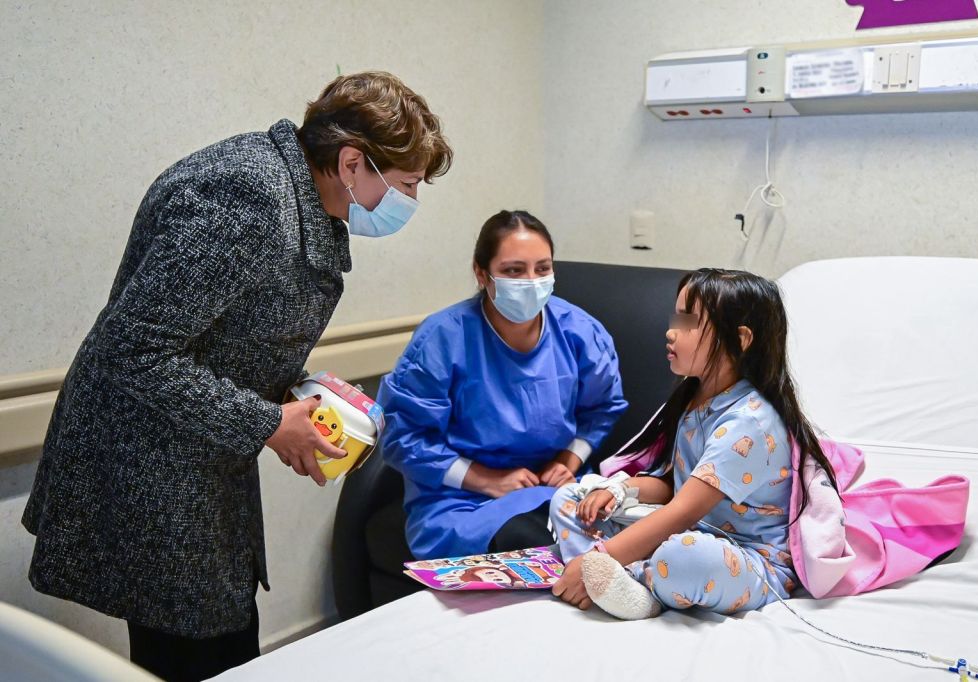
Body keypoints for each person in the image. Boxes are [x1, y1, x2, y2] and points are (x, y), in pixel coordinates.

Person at [21, 71, 452, 681]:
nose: (409, 202)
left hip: (193, 455)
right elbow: (135, 349)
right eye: (406, 184)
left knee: (219, 640)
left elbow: (225, 331)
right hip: (148, 464)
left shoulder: (302, 198)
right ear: (352, 162)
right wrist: (270, 423)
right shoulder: (246, 194)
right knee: (201, 654)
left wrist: (298, 392)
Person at [549, 268, 838, 620]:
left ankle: (629, 586)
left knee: (683, 558)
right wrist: (621, 490)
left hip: (748, 560)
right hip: (690, 528)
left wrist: (598, 558)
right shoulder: (694, 402)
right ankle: (612, 578)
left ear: (741, 339)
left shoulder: (749, 423)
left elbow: (683, 510)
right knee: (570, 498)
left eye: (688, 322)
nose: (671, 332)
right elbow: (674, 485)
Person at [377, 210, 628, 560]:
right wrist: (486, 480)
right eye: (513, 270)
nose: (531, 280)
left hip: (552, 485)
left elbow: (603, 408)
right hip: (461, 498)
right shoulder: (443, 338)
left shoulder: (580, 332)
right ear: (482, 274)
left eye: (542, 268)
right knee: (526, 538)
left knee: (599, 536)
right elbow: (403, 436)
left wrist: (570, 459)